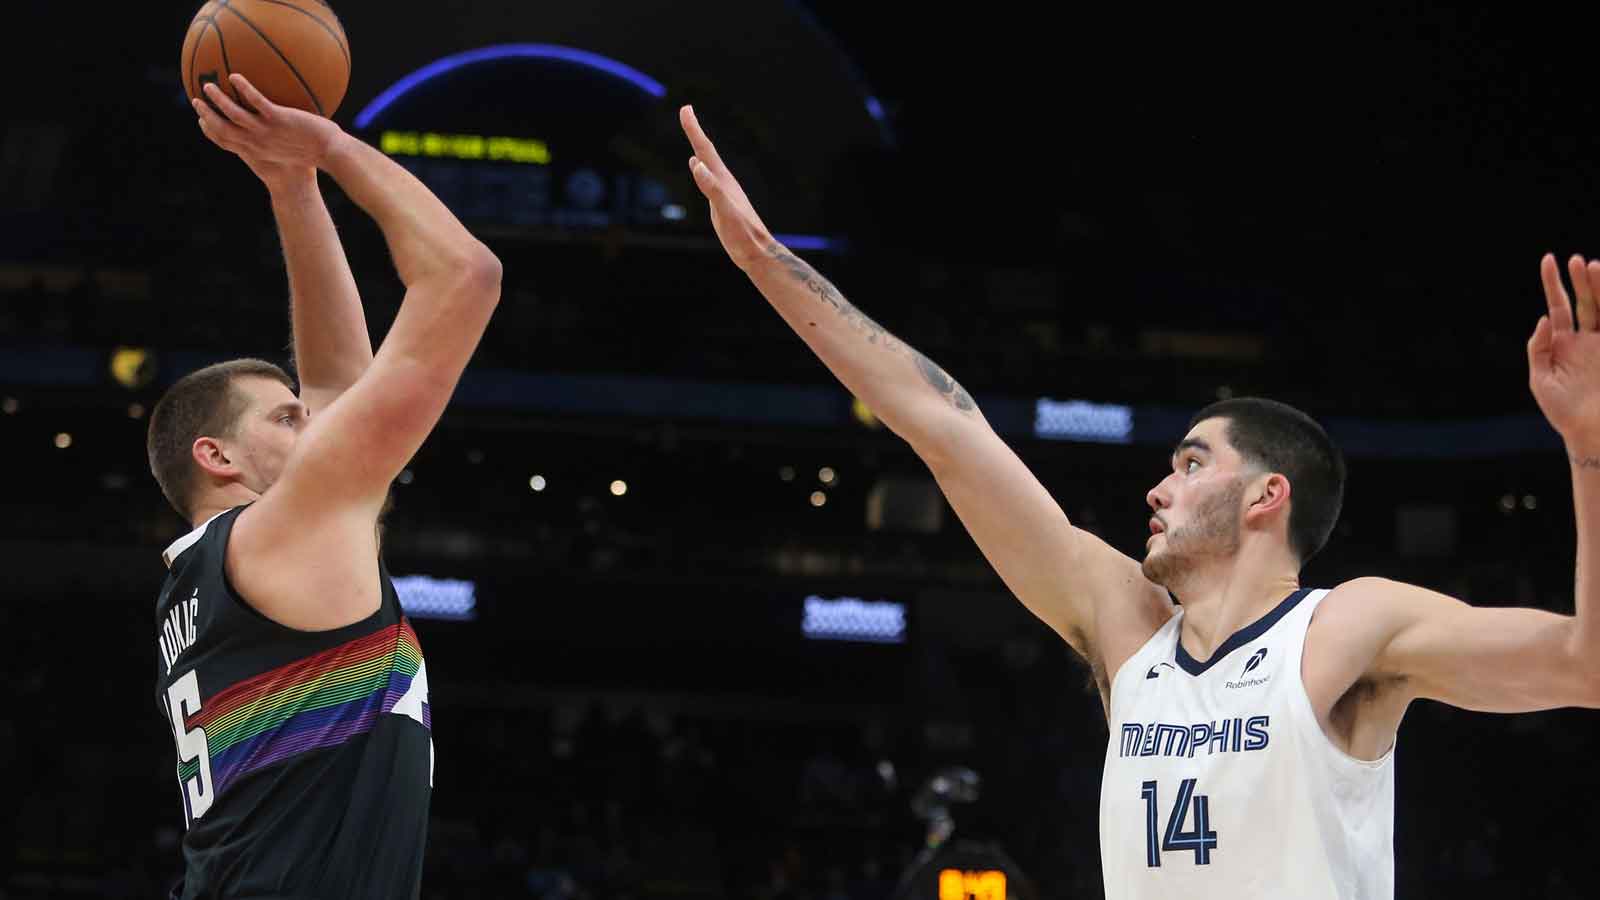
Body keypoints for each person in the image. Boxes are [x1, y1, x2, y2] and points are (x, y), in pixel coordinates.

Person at [678, 104, 1600, 898]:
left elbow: (1584, 665)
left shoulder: (1344, 632)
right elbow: (943, 425)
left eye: (1193, 464)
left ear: (1266, 496)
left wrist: (1591, 449)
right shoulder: (1128, 629)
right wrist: (766, 261)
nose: (1159, 487)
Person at [147, 74, 501, 899]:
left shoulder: (216, 576)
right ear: (217, 457)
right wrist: (330, 149)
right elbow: (465, 276)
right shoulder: (282, 536)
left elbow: (340, 383)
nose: (316, 425)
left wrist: (292, 188)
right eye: (284, 420)